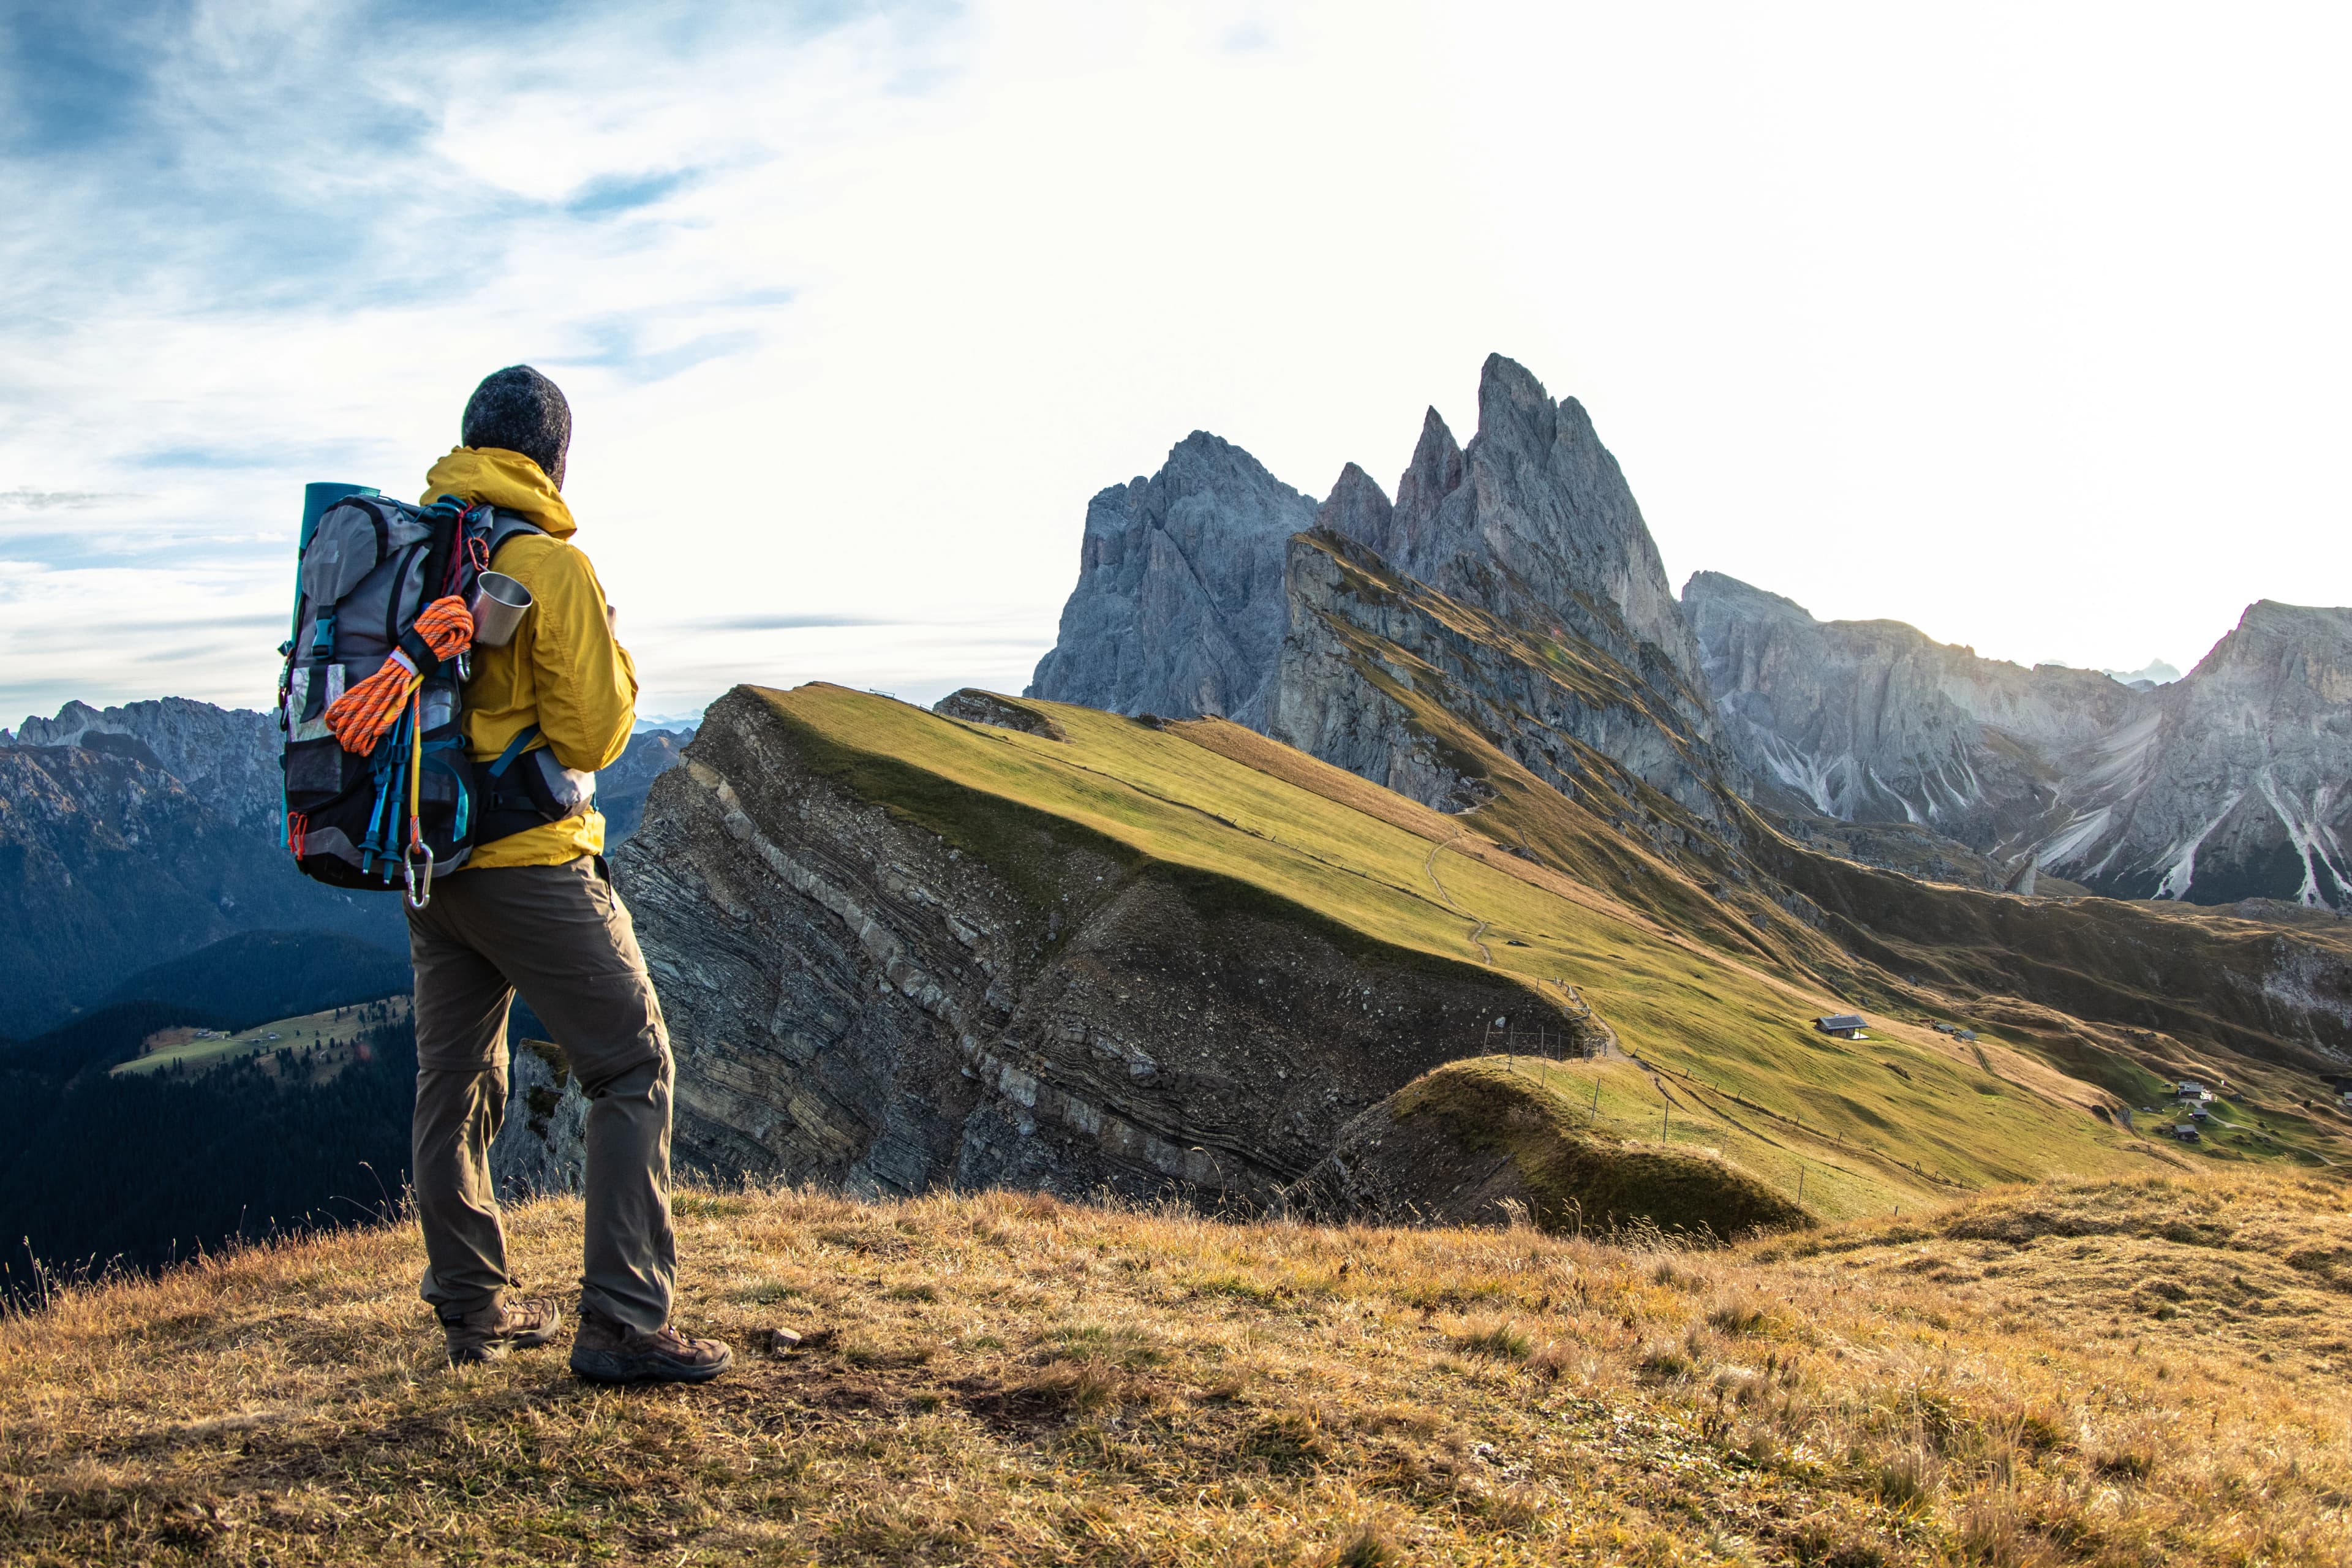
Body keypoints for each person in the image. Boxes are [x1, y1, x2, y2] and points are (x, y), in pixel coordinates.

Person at [406, 365, 729, 1384]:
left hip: (429, 865)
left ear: (470, 443)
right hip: (531, 866)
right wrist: (616, 657)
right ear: (554, 458)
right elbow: (595, 731)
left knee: (453, 1080)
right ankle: (626, 1322)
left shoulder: (418, 555)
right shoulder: (550, 566)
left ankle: (473, 1309)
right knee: (632, 1066)